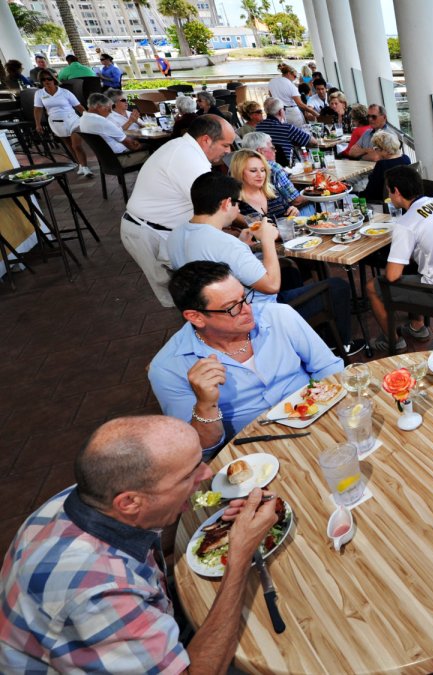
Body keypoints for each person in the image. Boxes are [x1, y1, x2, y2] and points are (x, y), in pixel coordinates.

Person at [0, 415, 281, 672]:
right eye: (189, 474)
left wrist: (219, 520)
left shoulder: (89, 497)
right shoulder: (99, 595)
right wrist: (240, 555)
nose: (207, 474)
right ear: (130, 501)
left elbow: (152, 529)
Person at [149, 261, 344, 456]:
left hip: (319, 416)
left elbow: (328, 367)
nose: (247, 310)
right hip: (255, 452)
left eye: (244, 297)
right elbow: (200, 450)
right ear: (196, 317)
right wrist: (205, 405)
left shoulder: (278, 315)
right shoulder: (167, 368)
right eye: (232, 307)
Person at [167, 172, 361, 356]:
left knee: (290, 271)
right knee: (337, 286)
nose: (238, 211)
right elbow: (271, 286)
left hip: (211, 311)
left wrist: (243, 246)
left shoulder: (175, 235)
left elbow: (213, 263)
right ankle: (340, 345)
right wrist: (267, 240)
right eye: (237, 205)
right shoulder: (226, 244)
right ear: (227, 204)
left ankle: (299, 337)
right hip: (253, 315)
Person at [122, 115, 237, 306]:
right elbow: (215, 207)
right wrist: (249, 222)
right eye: (225, 145)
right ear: (206, 140)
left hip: (161, 229)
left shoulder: (185, 149)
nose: (228, 151)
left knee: (195, 294)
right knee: (187, 299)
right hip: (150, 233)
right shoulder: (187, 158)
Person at [368, 165, 433, 352]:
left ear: (397, 191)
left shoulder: (406, 224)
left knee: (372, 287)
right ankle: (417, 326)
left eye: (389, 190)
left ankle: (392, 340)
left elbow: (392, 276)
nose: (388, 195)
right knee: (410, 267)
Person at [239, 131, 315, 217]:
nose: (275, 151)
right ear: (260, 151)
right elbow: (296, 201)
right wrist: (317, 194)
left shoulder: (234, 170)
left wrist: (292, 210)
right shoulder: (273, 167)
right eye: (272, 148)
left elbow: (287, 208)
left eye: (263, 170)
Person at [32, 73, 93, 177]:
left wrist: (89, 118)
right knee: (69, 146)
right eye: (43, 79)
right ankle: (80, 165)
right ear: (41, 81)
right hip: (56, 122)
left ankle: (85, 167)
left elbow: (78, 106)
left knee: (76, 145)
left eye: (49, 78)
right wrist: (37, 124)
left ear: (54, 79)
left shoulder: (65, 92)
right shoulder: (39, 93)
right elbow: (38, 109)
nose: (47, 81)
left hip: (73, 120)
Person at [230, 148, 298, 221]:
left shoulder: (272, 191)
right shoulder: (234, 202)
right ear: (239, 172)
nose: (260, 175)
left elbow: (288, 211)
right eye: (253, 171)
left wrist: (293, 210)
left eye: (262, 170)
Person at [78, 92, 148, 163]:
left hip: (106, 159)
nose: (110, 112)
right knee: (153, 151)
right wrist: (139, 145)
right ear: (99, 106)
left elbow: (118, 132)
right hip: (121, 158)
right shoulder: (102, 122)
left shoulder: (82, 119)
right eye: (108, 109)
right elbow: (130, 144)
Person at [256, 97, 311, 166]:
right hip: (288, 168)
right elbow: (313, 142)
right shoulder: (287, 128)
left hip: (266, 166)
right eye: (284, 109)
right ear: (280, 111)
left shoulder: (258, 127)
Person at [360, 131, 411, 202]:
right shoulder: (406, 158)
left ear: (383, 149)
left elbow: (371, 192)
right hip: (403, 198)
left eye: (375, 149)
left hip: (383, 202)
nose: (375, 151)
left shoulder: (382, 165)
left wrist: (357, 195)